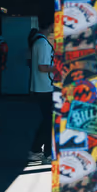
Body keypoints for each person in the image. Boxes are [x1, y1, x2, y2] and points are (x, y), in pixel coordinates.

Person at [29, 24, 55, 162]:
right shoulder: (43, 43)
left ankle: (40, 151)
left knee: (47, 121)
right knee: (49, 122)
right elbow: (43, 67)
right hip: (45, 87)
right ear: (50, 25)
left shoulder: (38, 40)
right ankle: (41, 152)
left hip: (42, 87)